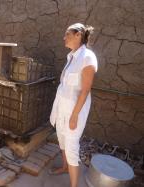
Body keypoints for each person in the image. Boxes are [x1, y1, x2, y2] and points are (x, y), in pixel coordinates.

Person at [49, 23, 98, 187]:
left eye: (67, 34)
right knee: (62, 142)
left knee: (71, 148)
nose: (64, 38)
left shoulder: (87, 57)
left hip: (73, 113)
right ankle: (64, 167)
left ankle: (74, 185)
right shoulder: (71, 57)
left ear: (78, 35)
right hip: (62, 110)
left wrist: (75, 115)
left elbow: (85, 91)